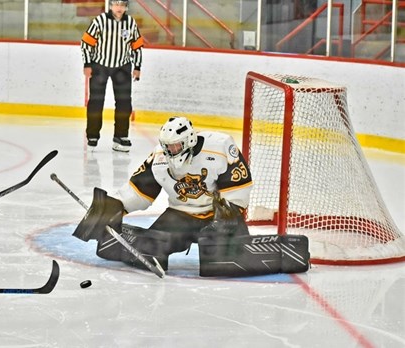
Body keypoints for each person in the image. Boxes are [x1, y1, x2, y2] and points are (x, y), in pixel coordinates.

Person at [73, 116, 310, 277]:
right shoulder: (159, 159)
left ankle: (246, 247)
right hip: (182, 215)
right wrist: (114, 206)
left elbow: (239, 185)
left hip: (220, 215)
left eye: (175, 147)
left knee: (218, 256)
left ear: (188, 141)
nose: (170, 151)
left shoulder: (219, 148)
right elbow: (139, 191)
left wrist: (227, 216)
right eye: (167, 146)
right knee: (153, 246)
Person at [81, 0, 143, 152]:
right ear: (111, 6)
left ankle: (120, 137)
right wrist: (87, 64)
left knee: (124, 102)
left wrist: (137, 67)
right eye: (116, 5)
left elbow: (137, 45)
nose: (119, 8)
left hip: (122, 66)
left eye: (122, 5)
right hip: (100, 65)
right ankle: (93, 136)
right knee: (96, 101)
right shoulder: (99, 21)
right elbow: (86, 43)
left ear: (126, 7)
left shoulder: (130, 23)